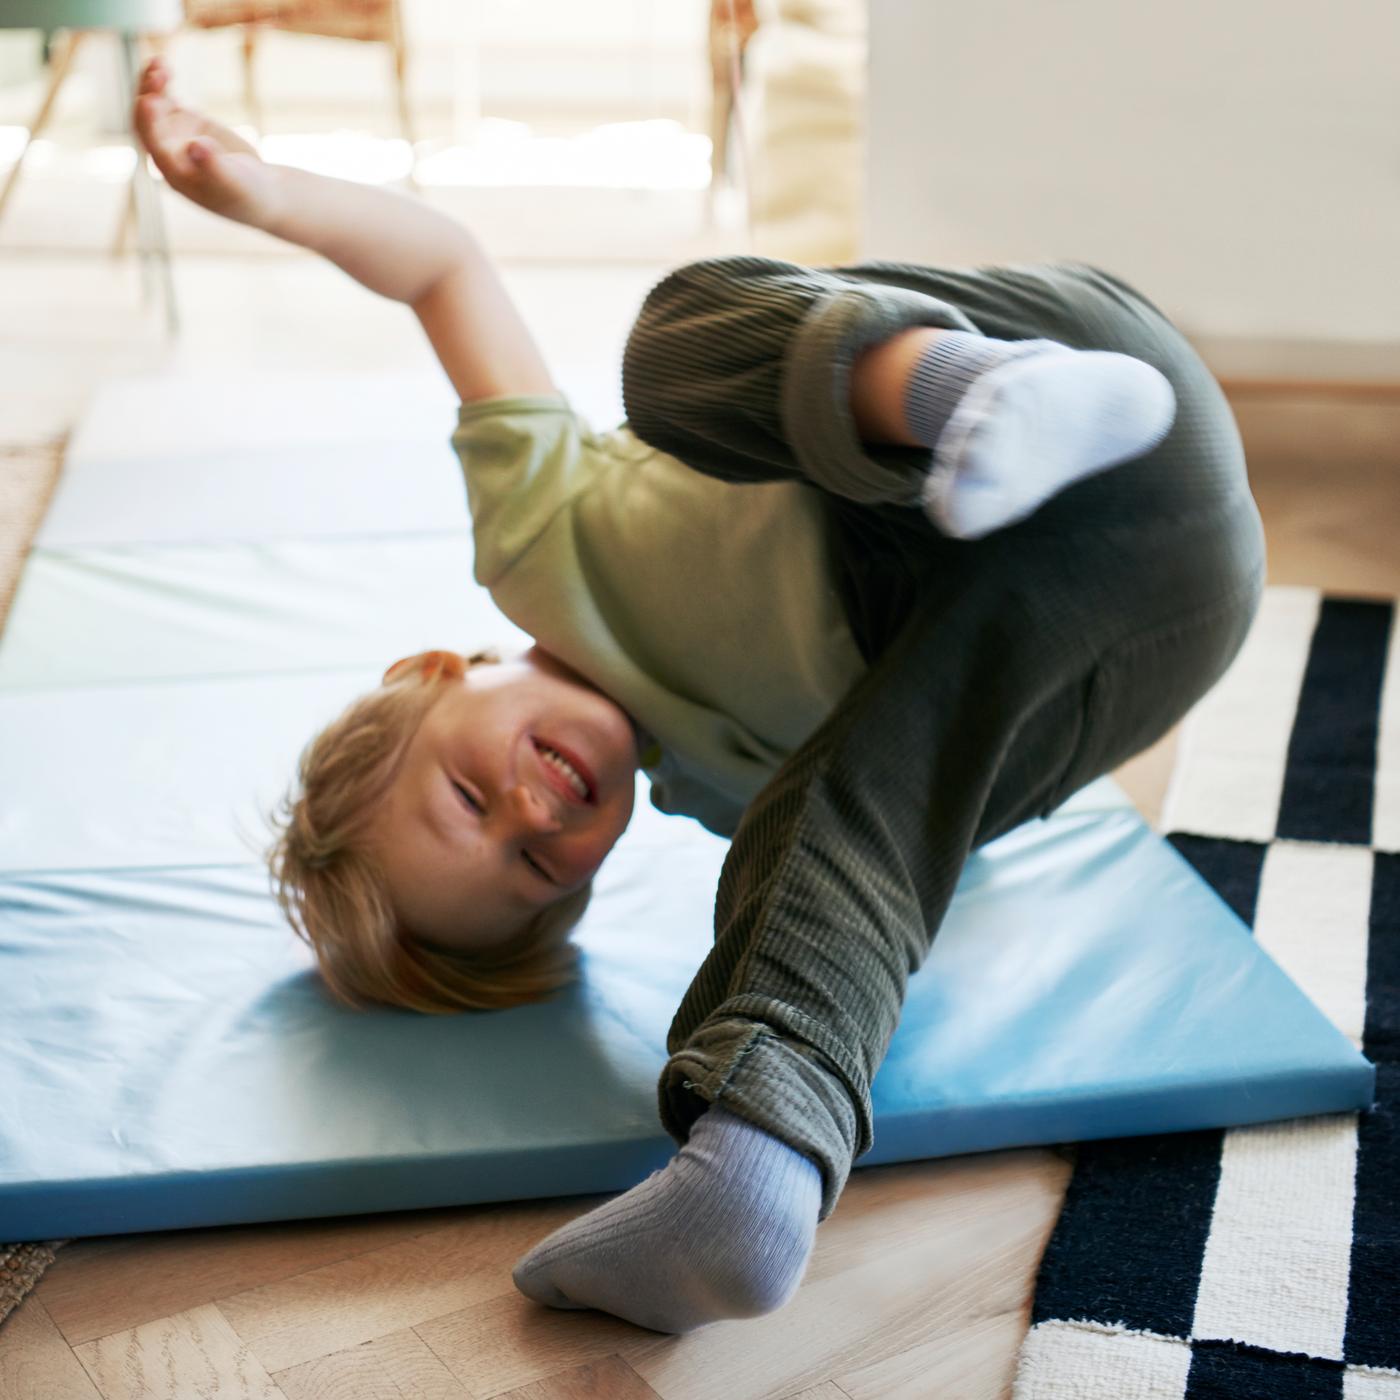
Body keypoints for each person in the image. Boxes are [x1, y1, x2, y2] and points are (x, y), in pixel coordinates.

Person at [132, 56, 1266, 1335]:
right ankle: (755, 1162)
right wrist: (912, 829)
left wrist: (263, 192)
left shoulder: (533, 527)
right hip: (1132, 619)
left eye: (467, 794)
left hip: (1082, 386)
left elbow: (442, 266)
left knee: (674, 346)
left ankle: (959, 396)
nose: (532, 815)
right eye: (533, 867)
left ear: (433, 673)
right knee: (832, 830)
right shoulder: (744, 799)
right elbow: (920, 807)